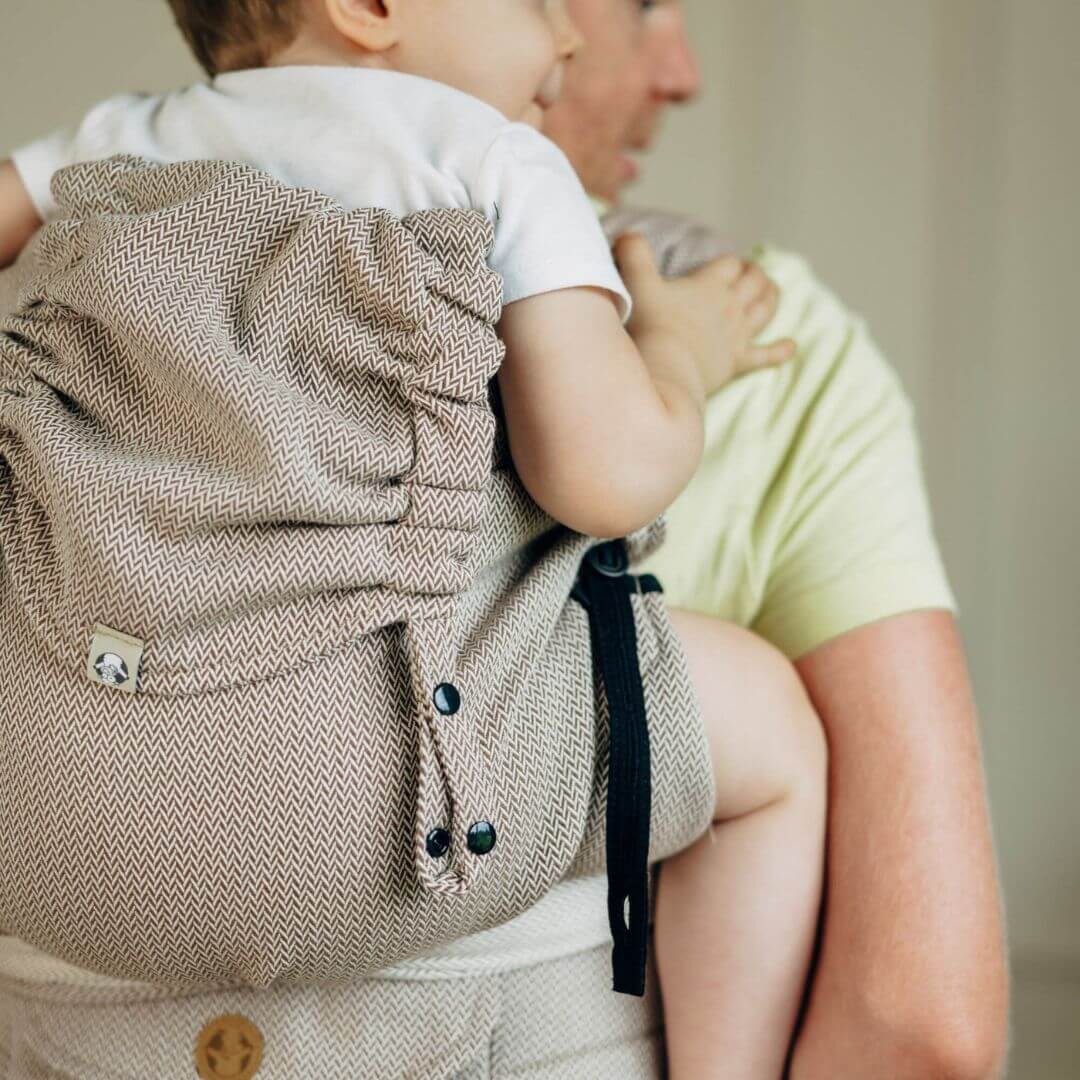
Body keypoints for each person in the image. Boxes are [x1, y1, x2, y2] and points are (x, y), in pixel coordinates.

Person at [0, 2, 1010, 1079]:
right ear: (372, 8)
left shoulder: (117, 139)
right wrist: (673, 351)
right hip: (383, 798)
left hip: (54, 812)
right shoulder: (491, 161)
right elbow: (604, 476)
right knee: (773, 741)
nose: (565, 38)